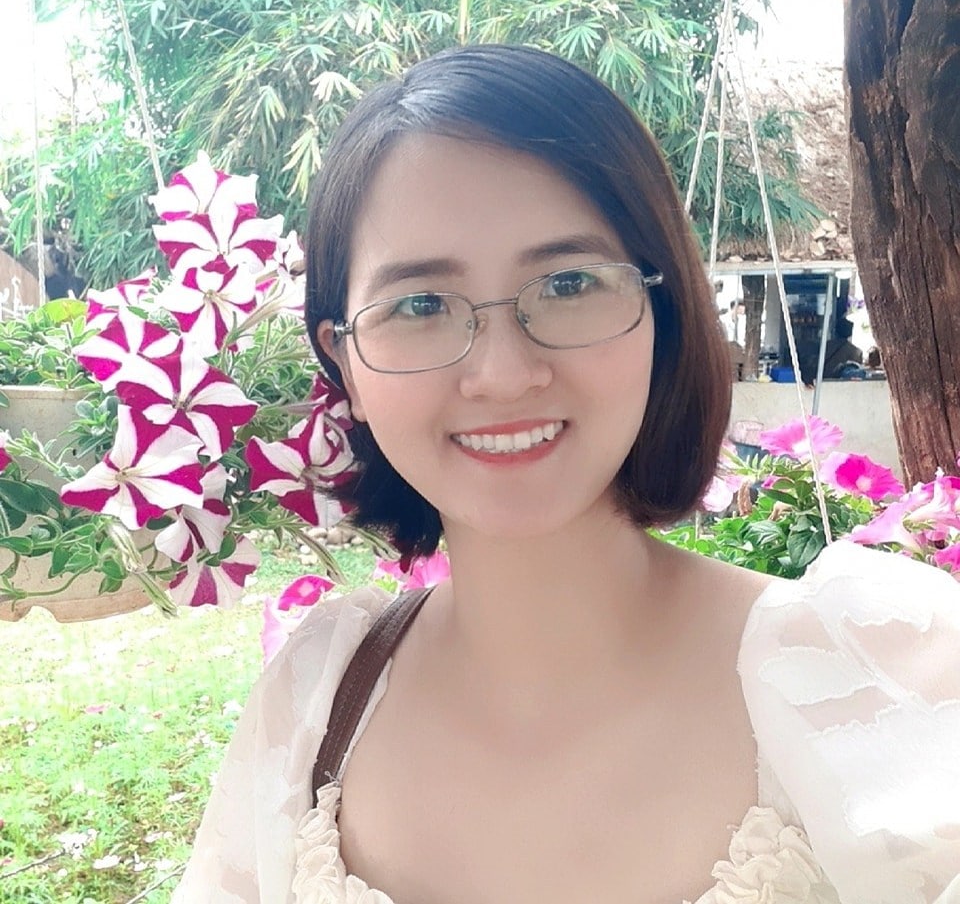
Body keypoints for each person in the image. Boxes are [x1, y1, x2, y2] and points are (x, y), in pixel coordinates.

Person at [174, 46, 960, 904]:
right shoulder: (310, 710)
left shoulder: (887, 680)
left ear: (661, 309)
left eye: (569, 283)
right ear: (345, 365)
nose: (504, 375)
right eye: (421, 304)